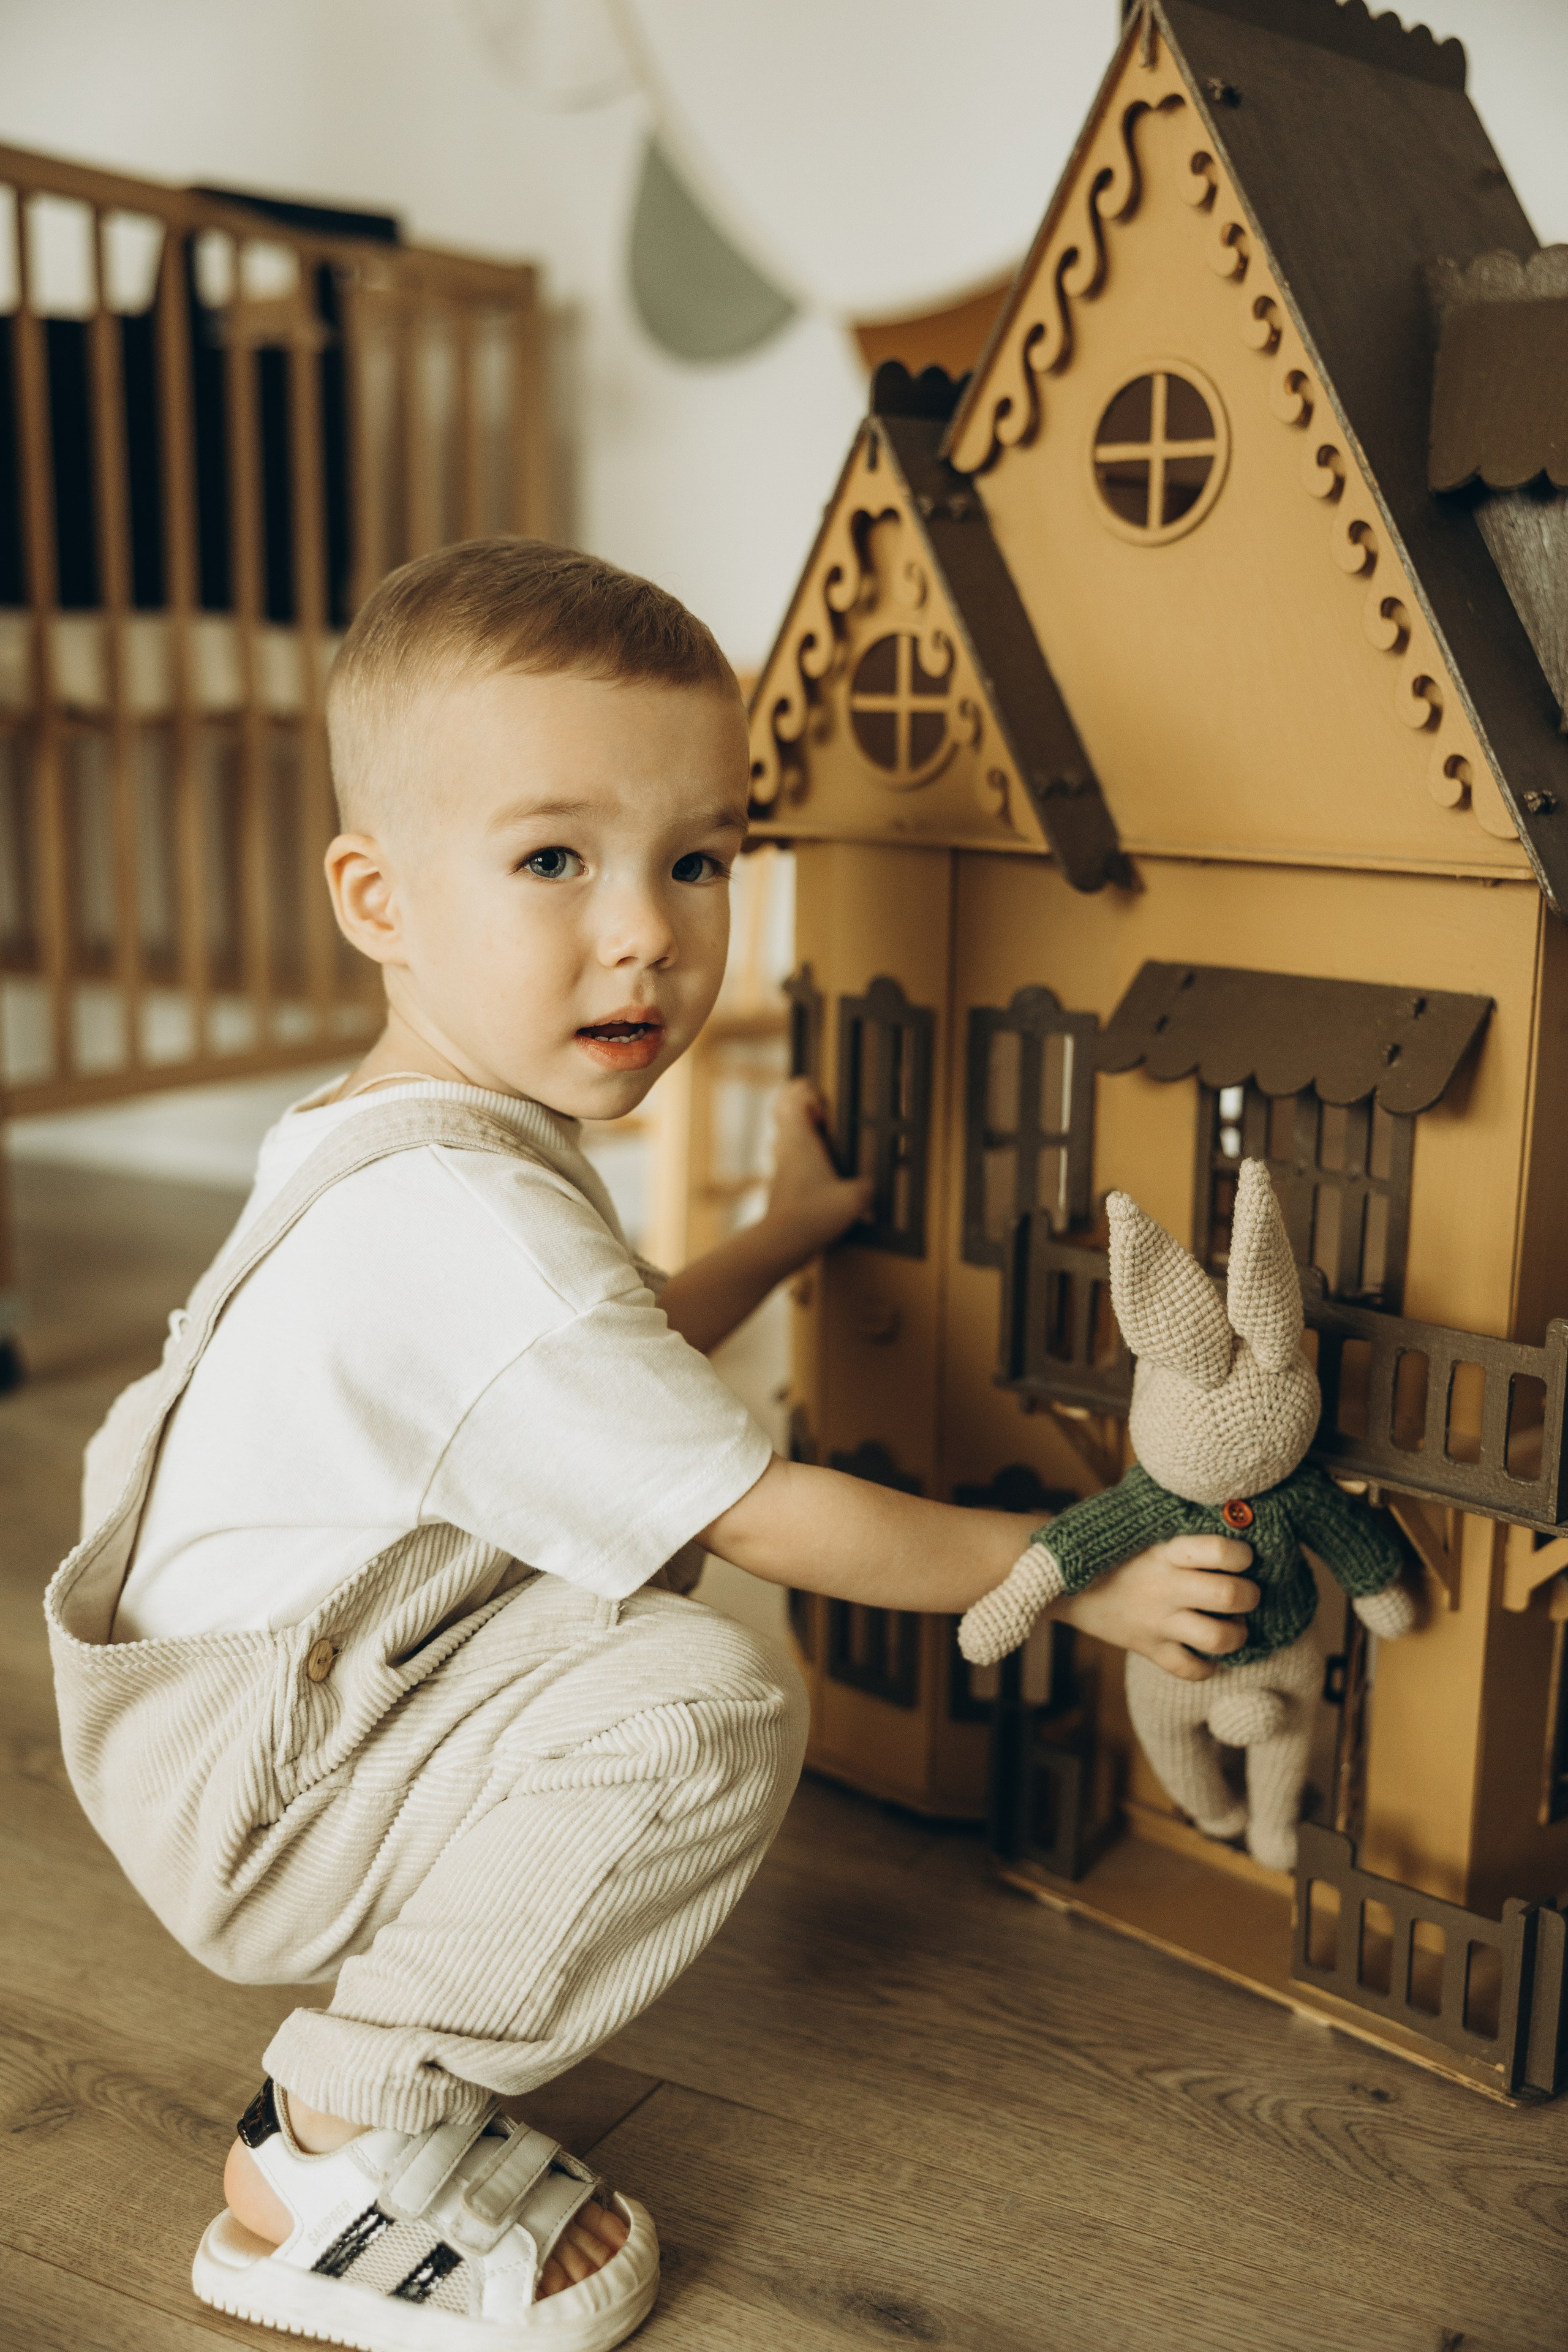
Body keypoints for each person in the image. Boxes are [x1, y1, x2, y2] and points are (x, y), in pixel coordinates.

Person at [47, 538, 1257, 2352]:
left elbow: (599, 1392)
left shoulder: (423, 1128)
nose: (650, 930)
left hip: (298, 1700)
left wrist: (781, 1236)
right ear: (376, 897)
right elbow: (757, 1513)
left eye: (698, 860)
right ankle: (333, 2135)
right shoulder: (461, 1223)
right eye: (555, 860)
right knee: (705, 1698)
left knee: (637, 1592)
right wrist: (1074, 1576)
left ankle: (380, 2077)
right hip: (268, 1782)